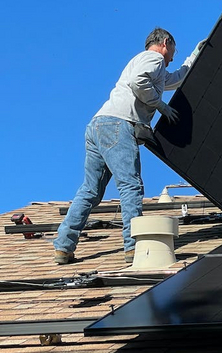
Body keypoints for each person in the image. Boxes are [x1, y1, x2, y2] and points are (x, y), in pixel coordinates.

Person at [53, 28, 206, 264]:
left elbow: (175, 79)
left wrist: (195, 55)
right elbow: (138, 82)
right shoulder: (153, 58)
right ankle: (133, 248)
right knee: (130, 185)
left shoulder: (147, 64)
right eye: (174, 50)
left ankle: (63, 246)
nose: (174, 56)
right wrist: (161, 106)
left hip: (98, 126)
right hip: (118, 125)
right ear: (166, 42)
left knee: (90, 191)